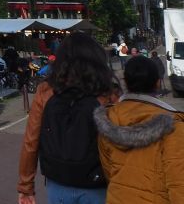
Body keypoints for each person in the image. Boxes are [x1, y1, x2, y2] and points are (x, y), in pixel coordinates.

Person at [17, 32, 120, 204]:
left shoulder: (46, 91)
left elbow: (31, 141)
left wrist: (25, 186)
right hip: (97, 183)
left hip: (58, 181)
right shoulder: (108, 94)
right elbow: (119, 141)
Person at [95, 55, 184, 203]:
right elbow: (180, 184)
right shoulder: (174, 127)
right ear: (157, 83)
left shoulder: (109, 119)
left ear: (126, 83)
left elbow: (109, 170)